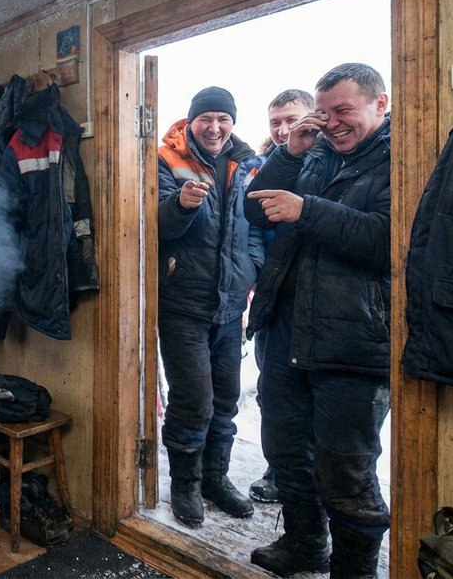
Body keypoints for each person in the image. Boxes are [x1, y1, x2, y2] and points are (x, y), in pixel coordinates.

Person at [244, 63, 391, 578]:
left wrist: (306, 210)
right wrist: (290, 154)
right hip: (286, 329)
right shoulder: (315, 154)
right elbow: (255, 211)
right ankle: (306, 545)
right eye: (323, 113)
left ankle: (354, 571)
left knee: (345, 468)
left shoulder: (404, 155)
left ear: (381, 104)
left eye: (343, 111)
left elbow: (386, 242)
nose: (331, 123)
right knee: (285, 449)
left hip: (354, 339)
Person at [157, 86, 264, 527]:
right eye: (206, 119)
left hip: (231, 302)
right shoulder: (167, 159)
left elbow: (255, 224)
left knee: (225, 398)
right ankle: (184, 484)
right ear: (191, 121)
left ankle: (214, 479)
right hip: (183, 301)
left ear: (233, 123)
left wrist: (253, 266)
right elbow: (155, 225)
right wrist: (180, 206)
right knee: (194, 399)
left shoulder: (249, 165)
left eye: (223, 119)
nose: (215, 127)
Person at [248, 88, 315, 506]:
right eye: (275, 122)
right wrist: (255, 274)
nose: (282, 129)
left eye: (292, 119)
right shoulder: (264, 166)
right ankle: (278, 472)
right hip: (272, 298)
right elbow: (251, 223)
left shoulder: (326, 163)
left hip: (314, 296)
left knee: (311, 396)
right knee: (273, 392)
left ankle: (312, 481)